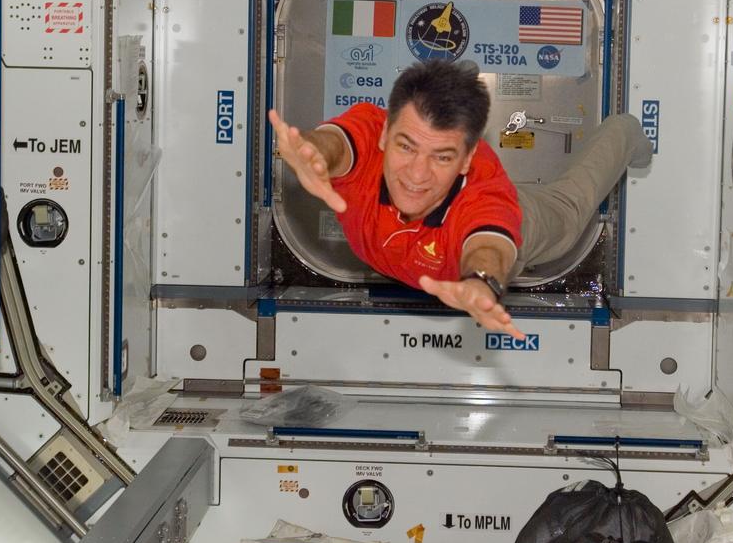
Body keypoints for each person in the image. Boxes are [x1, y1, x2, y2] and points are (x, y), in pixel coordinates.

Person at [268, 60, 653, 338]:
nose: (416, 176)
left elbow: (488, 245)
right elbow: (333, 146)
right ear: (386, 135)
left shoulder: (484, 196)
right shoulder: (371, 136)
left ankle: (628, 130)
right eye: (406, 148)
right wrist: (308, 152)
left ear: (467, 158)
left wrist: (481, 283)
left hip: (513, 216)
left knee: (569, 213)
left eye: (442, 157)